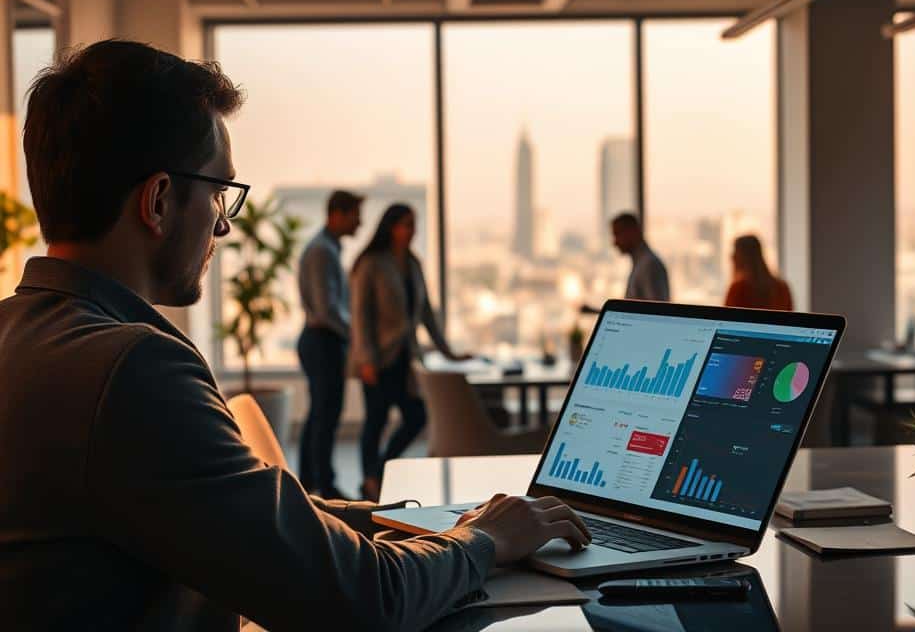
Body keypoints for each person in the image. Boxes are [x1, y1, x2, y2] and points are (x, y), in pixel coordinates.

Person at [0, 40, 589, 631]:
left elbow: (238, 512)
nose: (224, 224)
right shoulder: (131, 371)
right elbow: (362, 602)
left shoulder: (21, 339)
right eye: (217, 192)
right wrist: (481, 542)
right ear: (158, 201)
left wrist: (421, 521)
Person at [350, 204, 468, 502]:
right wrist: (365, 359)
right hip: (378, 357)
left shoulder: (413, 263)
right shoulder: (371, 263)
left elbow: (426, 311)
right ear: (391, 227)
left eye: (414, 224)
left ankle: (376, 473)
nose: (411, 230)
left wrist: (448, 352)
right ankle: (370, 480)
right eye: (406, 224)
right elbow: (360, 315)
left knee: (416, 416)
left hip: (407, 357)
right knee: (375, 420)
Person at [297, 190, 363, 500]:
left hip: (321, 339)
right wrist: (355, 333)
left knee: (320, 413)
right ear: (337, 214)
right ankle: (325, 486)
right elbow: (326, 310)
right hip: (322, 340)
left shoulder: (327, 248)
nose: (360, 222)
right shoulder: (322, 251)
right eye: (355, 215)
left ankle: (311, 482)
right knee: (326, 415)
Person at [581, 212, 670, 313]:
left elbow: (658, 312)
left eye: (617, 234)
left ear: (633, 232)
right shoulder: (642, 263)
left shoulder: (649, 265)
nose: (615, 242)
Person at [724, 235, 793, 311]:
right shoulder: (782, 287)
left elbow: (726, 320)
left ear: (743, 257)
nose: (732, 256)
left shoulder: (738, 289)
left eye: (735, 251)